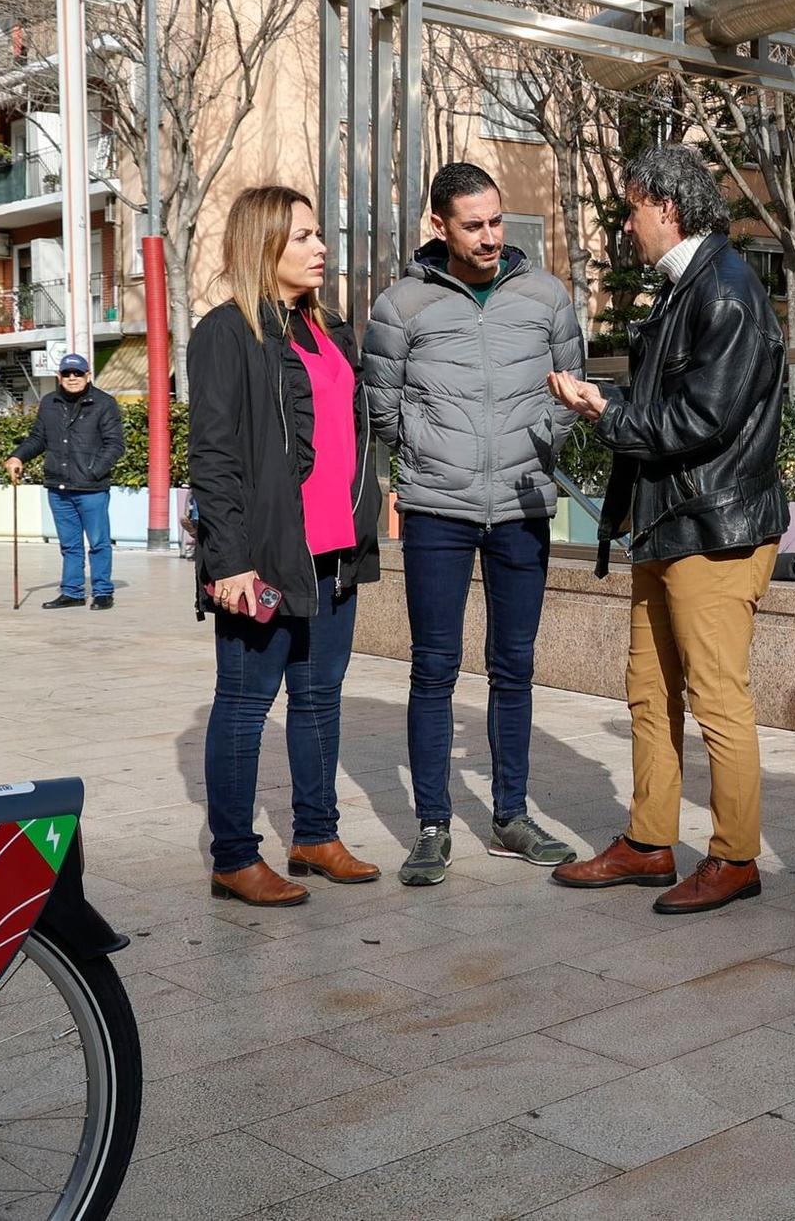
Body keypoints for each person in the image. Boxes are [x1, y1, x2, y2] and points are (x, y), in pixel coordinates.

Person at [545, 145, 787, 915]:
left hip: (713, 528)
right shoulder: (692, 286)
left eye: (631, 209)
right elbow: (673, 398)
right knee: (649, 691)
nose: (626, 225)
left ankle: (735, 857)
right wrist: (607, 398)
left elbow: (702, 418)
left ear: (667, 209)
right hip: (672, 521)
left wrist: (605, 412)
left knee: (717, 699)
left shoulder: (726, 290)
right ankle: (651, 842)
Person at [363, 163, 584, 887]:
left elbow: (568, 389)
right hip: (437, 509)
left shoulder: (547, 296)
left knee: (514, 666)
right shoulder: (400, 307)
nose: (490, 237)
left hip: (522, 503)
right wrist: (427, 453)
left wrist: (540, 445)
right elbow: (383, 409)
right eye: (473, 225)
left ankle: (511, 816)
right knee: (433, 666)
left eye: (496, 221)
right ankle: (432, 824)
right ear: (439, 227)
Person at [188, 184, 384, 907]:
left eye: (318, 235)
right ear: (264, 244)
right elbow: (213, 456)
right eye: (303, 236)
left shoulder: (329, 331)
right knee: (244, 703)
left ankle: (315, 835)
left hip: (334, 552)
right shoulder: (225, 332)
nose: (320, 248)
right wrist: (229, 561)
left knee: (318, 699)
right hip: (264, 557)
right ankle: (235, 857)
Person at [5, 352, 125, 610]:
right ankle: (72, 591)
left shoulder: (104, 403)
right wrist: (17, 457)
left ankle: (103, 591)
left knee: (98, 542)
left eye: (78, 373)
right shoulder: (49, 403)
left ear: (87, 375)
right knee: (69, 545)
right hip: (58, 487)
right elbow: (38, 438)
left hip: (91, 488)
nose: (73, 378)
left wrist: (93, 471)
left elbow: (115, 444)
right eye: (67, 373)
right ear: (59, 377)